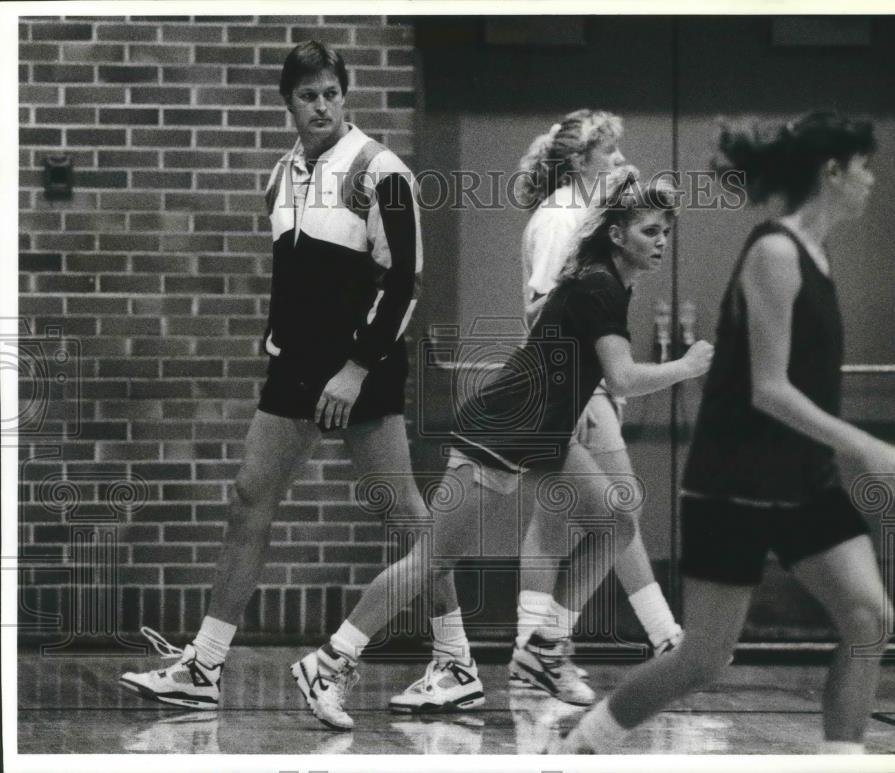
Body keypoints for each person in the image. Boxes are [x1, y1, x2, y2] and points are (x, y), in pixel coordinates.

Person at [288, 165, 714, 731]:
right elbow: (623, 378)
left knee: (615, 521)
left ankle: (544, 645)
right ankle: (329, 660)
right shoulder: (600, 287)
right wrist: (686, 366)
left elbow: (552, 326)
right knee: (432, 560)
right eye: (649, 231)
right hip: (500, 431)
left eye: (665, 232)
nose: (661, 242)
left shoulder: (602, 279)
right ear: (617, 234)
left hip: (542, 435)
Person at [551, 111, 895, 754]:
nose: (871, 180)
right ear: (831, 171)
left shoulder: (816, 252)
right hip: (736, 481)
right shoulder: (775, 251)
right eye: (863, 166)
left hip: (804, 479)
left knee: (869, 618)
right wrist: (865, 444)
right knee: (703, 658)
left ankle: (843, 760)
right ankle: (577, 750)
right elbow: (768, 389)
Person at [118, 40, 452, 710]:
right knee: (248, 499)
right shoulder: (281, 174)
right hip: (294, 369)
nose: (322, 105)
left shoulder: (381, 169)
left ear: (345, 94)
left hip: (363, 368)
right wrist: (277, 342)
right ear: (289, 103)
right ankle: (204, 666)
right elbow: (297, 281)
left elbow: (404, 281)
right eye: (308, 95)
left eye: (331, 92)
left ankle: (457, 660)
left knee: (404, 514)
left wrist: (356, 368)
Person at [389, 111, 685, 715]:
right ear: (579, 162)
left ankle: (539, 654)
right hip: (572, 388)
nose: (621, 159)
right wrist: (574, 397)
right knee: (612, 511)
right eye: (611, 151)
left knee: (581, 519)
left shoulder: (588, 216)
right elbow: (542, 315)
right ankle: (654, 640)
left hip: (579, 387)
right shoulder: (560, 219)